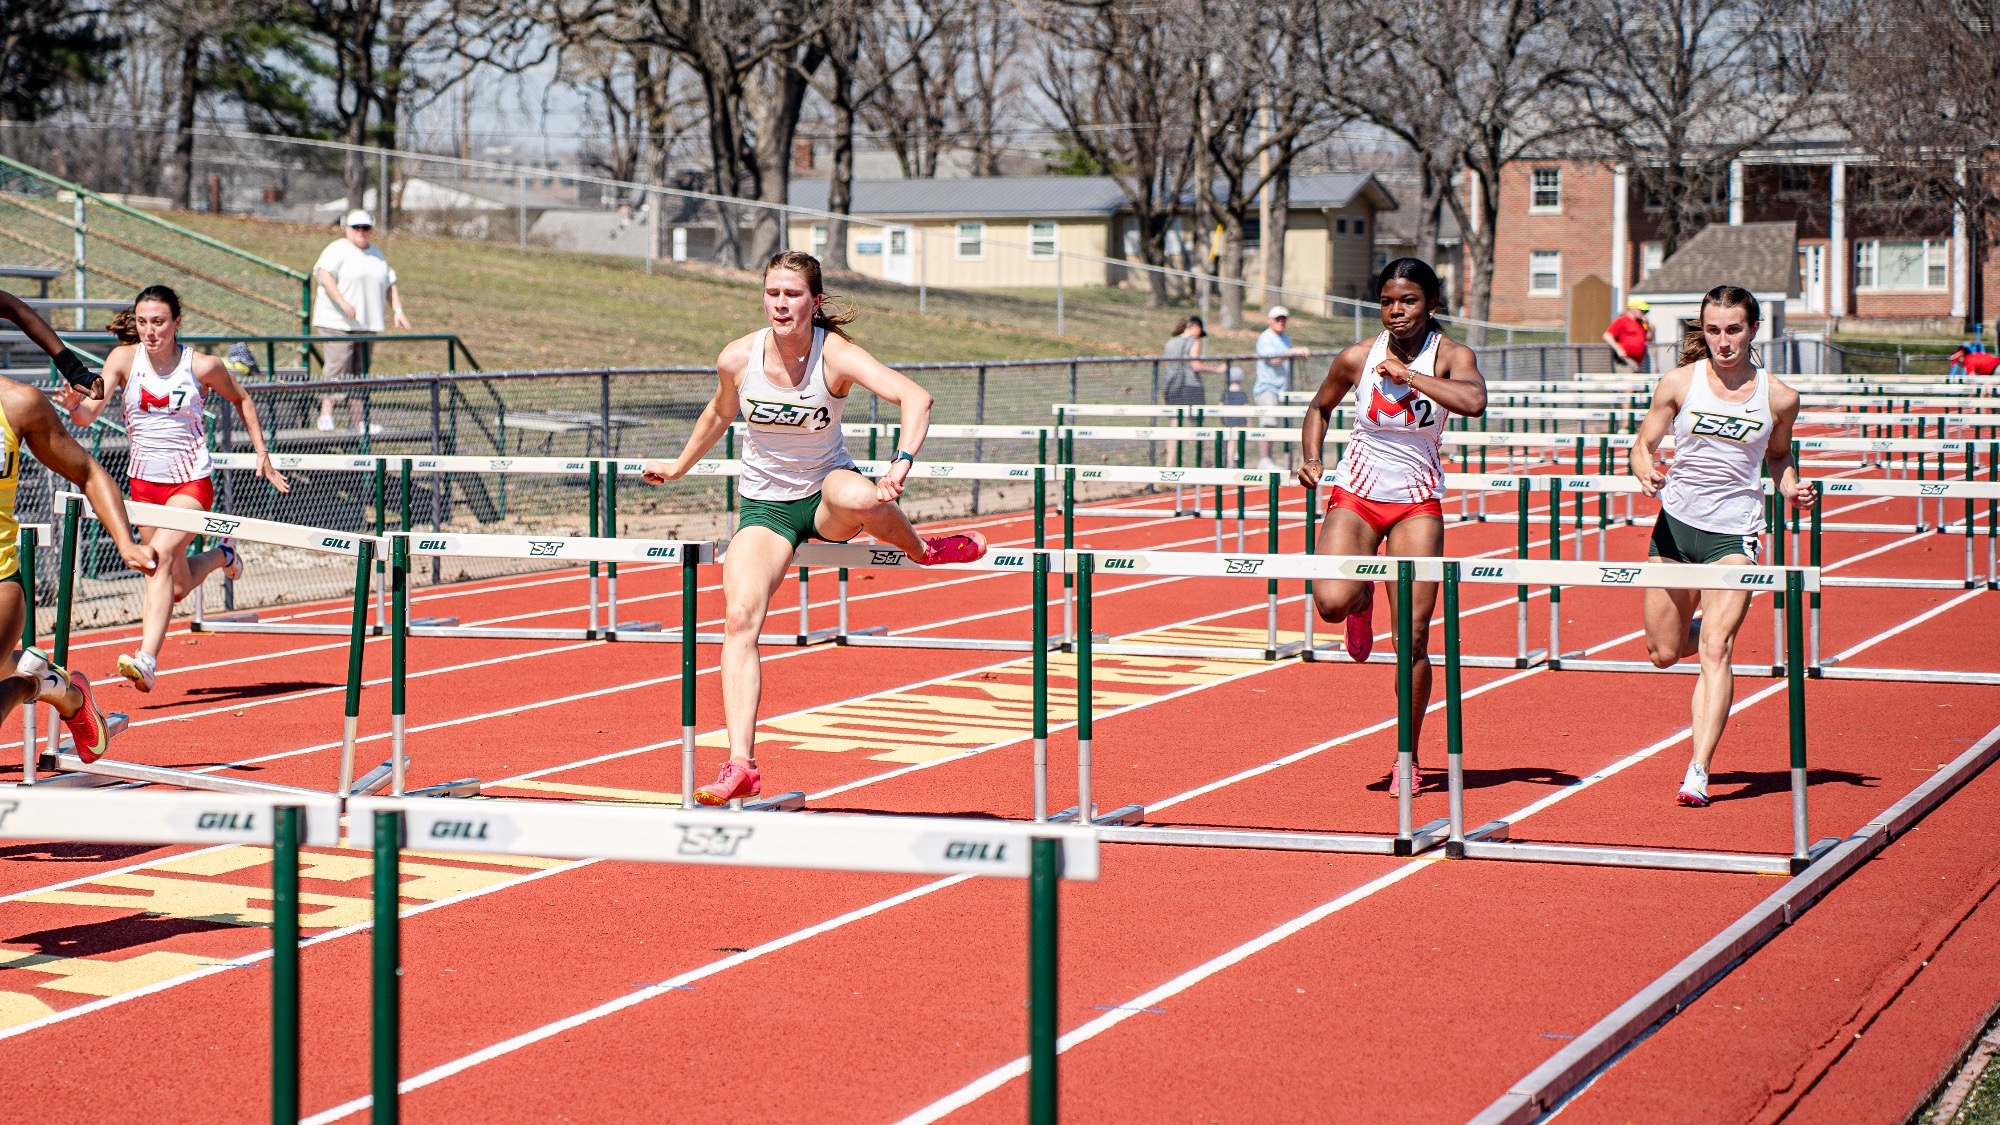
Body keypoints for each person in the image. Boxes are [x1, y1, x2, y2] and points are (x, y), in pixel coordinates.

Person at [642, 251, 988, 807]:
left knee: (859, 492)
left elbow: (914, 397)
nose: (781, 303)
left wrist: (900, 463)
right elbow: (718, 412)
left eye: (793, 294)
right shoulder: (737, 357)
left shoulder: (837, 356)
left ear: (814, 301)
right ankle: (741, 765)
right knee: (738, 618)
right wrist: (679, 465)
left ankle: (923, 549)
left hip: (825, 494)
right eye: (773, 293)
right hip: (766, 509)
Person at [1297, 259, 1487, 796]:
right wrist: (1312, 456)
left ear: (1430, 303)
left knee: (1414, 639)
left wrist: (1413, 378)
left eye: (1408, 301)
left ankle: (1409, 753)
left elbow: (1474, 402)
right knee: (1330, 602)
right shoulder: (1358, 356)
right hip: (1356, 494)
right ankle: (1361, 604)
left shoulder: (1452, 356)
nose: (1396, 311)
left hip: (1415, 503)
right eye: (1387, 302)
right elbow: (1320, 406)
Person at [1629, 285, 1814, 808]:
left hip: (1734, 534)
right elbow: (1642, 444)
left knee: (1717, 648)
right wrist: (1646, 470)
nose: (1723, 341)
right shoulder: (1679, 382)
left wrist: (1791, 487)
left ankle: (1698, 770)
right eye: (1713, 330)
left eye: (1733, 330)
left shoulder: (1778, 397)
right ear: (1702, 331)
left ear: (1753, 330)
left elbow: (1778, 458)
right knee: (1663, 652)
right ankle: (1698, 621)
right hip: (1675, 529)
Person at [58, 286, 290, 693]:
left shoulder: (201, 366)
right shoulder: (123, 360)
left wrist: (262, 454)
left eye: (159, 322)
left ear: (176, 322)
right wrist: (74, 406)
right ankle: (224, 554)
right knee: (175, 584)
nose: (151, 331)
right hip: (144, 487)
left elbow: (243, 399)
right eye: (144, 322)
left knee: (158, 558)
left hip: (191, 483)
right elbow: (88, 416)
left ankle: (146, 660)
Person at [0, 291, 157, 761]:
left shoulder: (18, 404)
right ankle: (52, 683)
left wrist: (126, 542)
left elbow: (88, 472)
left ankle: (30, 681)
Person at [311, 209, 410, 431]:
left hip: (366, 325)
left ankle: (357, 421)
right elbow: (324, 275)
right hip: (336, 322)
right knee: (338, 366)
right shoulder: (337, 249)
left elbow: (389, 284)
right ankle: (326, 414)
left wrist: (398, 310)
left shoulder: (377, 254)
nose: (361, 232)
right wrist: (343, 302)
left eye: (366, 227)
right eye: (356, 227)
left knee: (360, 372)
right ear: (347, 228)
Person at [1254, 305, 1311, 470]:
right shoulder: (1265, 338)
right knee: (1268, 424)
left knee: (1281, 425)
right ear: (1270, 321)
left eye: (1283, 319)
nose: (1281, 322)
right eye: (1277, 319)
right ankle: (1264, 460)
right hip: (1268, 388)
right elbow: (1272, 360)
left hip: (1283, 389)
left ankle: (1283, 460)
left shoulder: (1285, 338)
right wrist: (1293, 352)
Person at [1160, 316, 1223, 407]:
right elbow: (1196, 366)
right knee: (1197, 419)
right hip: (1191, 386)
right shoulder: (1194, 341)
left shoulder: (1170, 342)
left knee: (1175, 418)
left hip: (1171, 386)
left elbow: (1167, 365)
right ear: (1195, 326)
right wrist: (1217, 369)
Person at [1604, 297, 1654, 373]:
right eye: (1641, 310)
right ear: (1633, 309)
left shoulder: (1641, 323)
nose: (1643, 313)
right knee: (1628, 383)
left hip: (1638, 362)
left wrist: (1648, 327)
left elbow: (1649, 339)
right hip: (1625, 361)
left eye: (1645, 311)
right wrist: (1618, 349)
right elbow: (1607, 335)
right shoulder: (1622, 320)